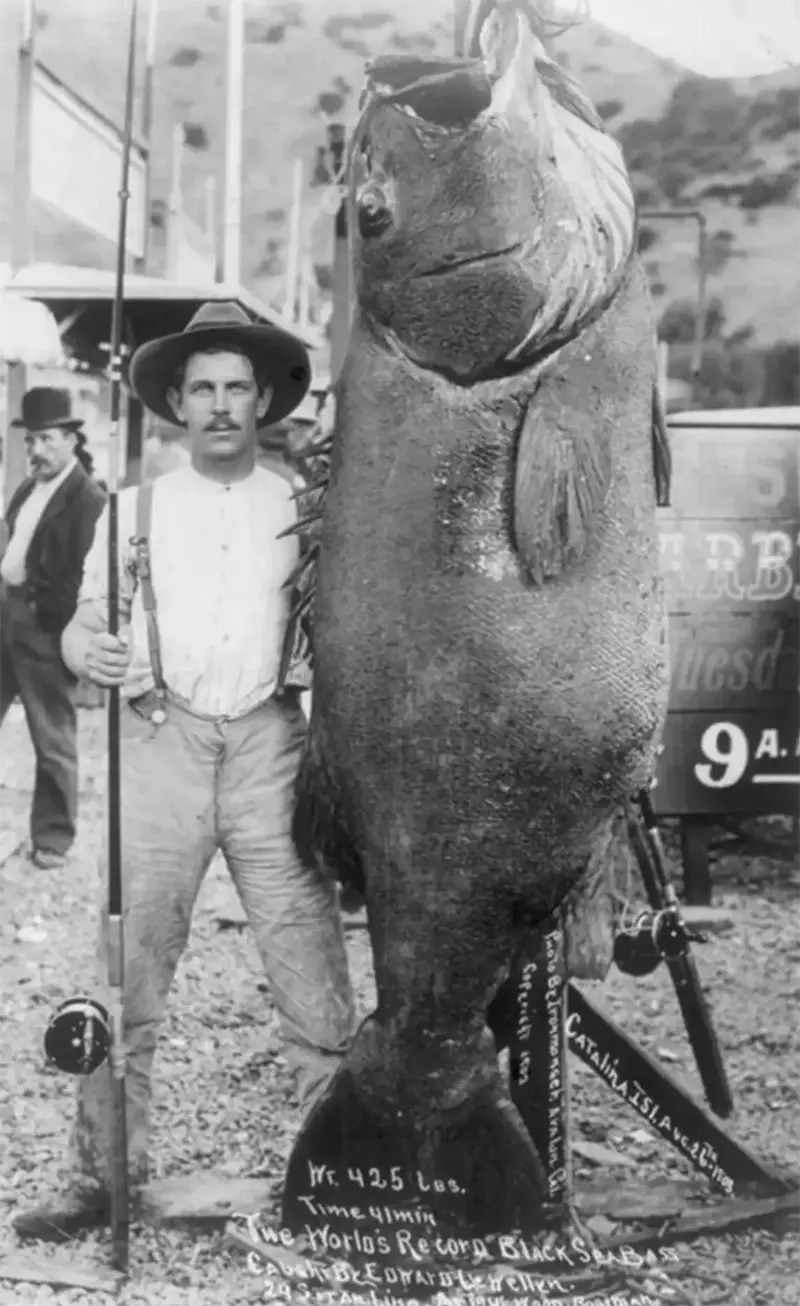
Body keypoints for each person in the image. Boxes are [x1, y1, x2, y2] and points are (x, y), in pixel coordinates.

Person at [13, 301, 357, 1241]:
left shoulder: (299, 502)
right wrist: (94, 653)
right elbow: (81, 623)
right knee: (129, 966)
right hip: (159, 744)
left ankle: (345, 1174)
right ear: (174, 401)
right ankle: (100, 1177)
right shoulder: (133, 507)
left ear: (262, 401)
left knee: (308, 960)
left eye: (236, 388)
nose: (218, 406)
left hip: (268, 747)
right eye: (200, 388)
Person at [0, 387, 106, 870]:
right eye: (30, 441)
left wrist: (51, 622)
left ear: (69, 439)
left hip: (45, 627)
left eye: (45, 439)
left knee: (52, 735)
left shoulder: (88, 499)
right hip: (7, 615)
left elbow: (85, 575)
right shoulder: (29, 487)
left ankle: (53, 839)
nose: (35, 450)